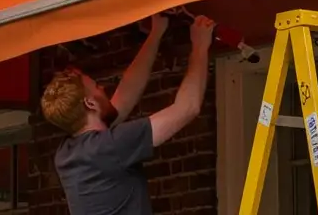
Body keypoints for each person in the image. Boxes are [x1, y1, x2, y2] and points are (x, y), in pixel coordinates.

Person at [40, 13, 216, 215]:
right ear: (90, 103)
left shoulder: (67, 154)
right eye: (96, 87)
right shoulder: (110, 146)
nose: (102, 88)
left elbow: (125, 94)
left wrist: (156, 33)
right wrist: (200, 46)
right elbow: (187, 108)